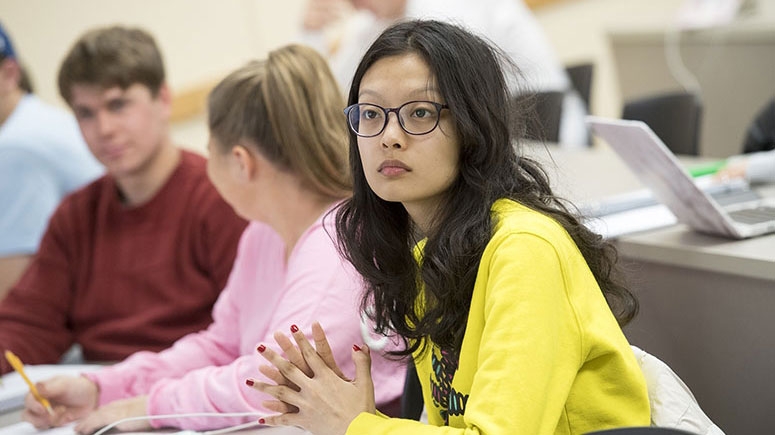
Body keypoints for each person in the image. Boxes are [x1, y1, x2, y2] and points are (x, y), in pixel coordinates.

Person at [251, 20, 651, 434]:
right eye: (371, 114)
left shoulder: (525, 250)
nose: (389, 136)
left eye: (419, 113)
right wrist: (349, 416)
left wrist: (359, 427)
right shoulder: (430, 255)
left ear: (472, 125)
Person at [22, 44, 405, 434]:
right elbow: (218, 345)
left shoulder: (336, 249)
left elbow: (269, 387)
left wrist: (150, 407)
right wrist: (102, 388)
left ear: (240, 162)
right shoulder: (264, 233)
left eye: (210, 152)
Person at [0, 26, 247, 375]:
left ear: (163, 99)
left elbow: (248, 335)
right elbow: (27, 326)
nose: (104, 129)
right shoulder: (74, 217)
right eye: (86, 113)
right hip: (96, 402)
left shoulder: (223, 198)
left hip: (196, 398)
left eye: (118, 105)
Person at [298, 0, 589, 148]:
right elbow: (335, 101)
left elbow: (459, 93)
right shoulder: (372, 24)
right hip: (481, 136)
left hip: (539, 134)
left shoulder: (454, 8)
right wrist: (311, 36)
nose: (353, 5)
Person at [0, 21, 103, 299]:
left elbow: (12, 293)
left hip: (85, 325)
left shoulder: (15, 146)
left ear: (10, 74)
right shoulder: (37, 120)